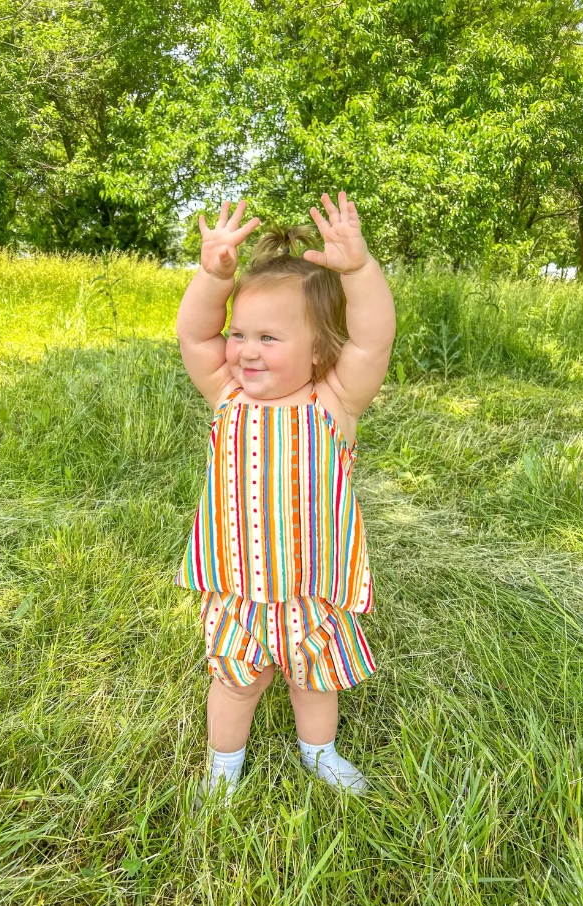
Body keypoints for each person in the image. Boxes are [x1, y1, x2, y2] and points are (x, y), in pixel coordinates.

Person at [174, 191, 396, 806]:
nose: (244, 349)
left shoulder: (334, 404)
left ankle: (318, 752)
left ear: (321, 350)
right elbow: (195, 337)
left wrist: (359, 271)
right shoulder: (229, 398)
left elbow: (372, 342)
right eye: (239, 333)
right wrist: (211, 277)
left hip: (312, 591)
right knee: (234, 683)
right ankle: (224, 763)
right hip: (240, 589)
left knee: (315, 682)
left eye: (268, 337)